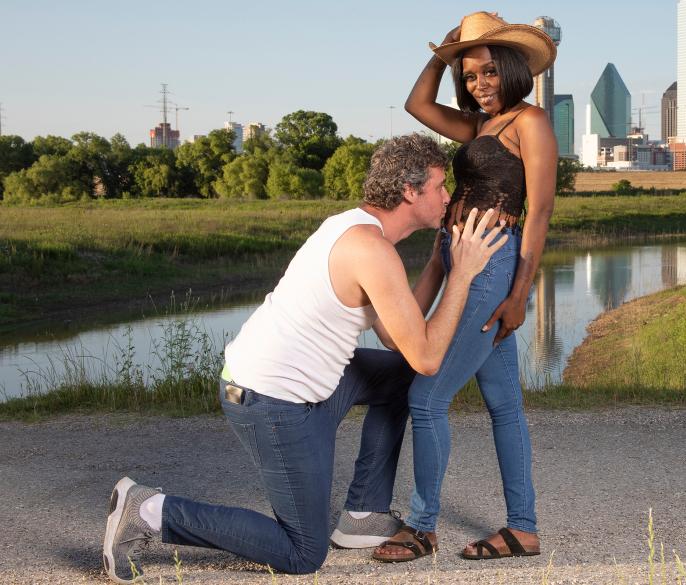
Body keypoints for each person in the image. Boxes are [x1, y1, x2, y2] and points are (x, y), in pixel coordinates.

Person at [101, 134, 510, 583]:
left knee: (400, 376)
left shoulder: (355, 229)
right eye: (439, 185)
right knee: (302, 553)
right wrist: (464, 274)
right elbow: (430, 357)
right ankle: (150, 510)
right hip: (271, 401)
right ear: (410, 192)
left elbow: (400, 342)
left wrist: (437, 264)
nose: (447, 196)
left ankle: (363, 515)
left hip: (298, 383)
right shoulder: (370, 250)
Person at [372, 12, 558, 563]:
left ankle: (422, 527)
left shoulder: (531, 122)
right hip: (462, 264)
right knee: (504, 405)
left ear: (512, 70)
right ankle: (522, 530)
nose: (479, 84)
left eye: (488, 73)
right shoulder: (479, 126)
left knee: (426, 398)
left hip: (492, 269)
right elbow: (418, 107)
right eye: (470, 75)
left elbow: (541, 211)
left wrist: (520, 293)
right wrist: (440, 55)